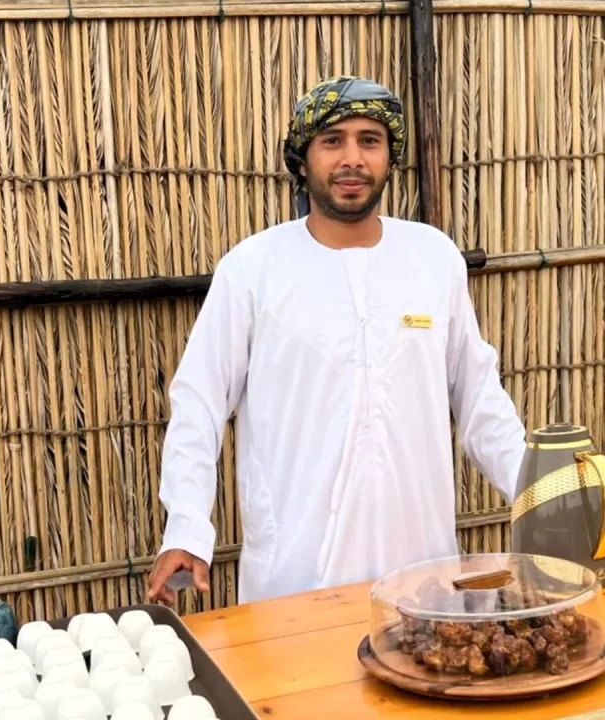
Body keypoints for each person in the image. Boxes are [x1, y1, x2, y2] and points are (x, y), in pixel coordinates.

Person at [146, 76, 527, 605]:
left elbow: (480, 398)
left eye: (369, 141)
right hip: (297, 577)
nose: (352, 158)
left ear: (389, 158)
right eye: (333, 141)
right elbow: (199, 405)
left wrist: (540, 497)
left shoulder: (433, 258)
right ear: (303, 160)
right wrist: (187, 527)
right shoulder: (253, 270)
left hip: (420, 576)